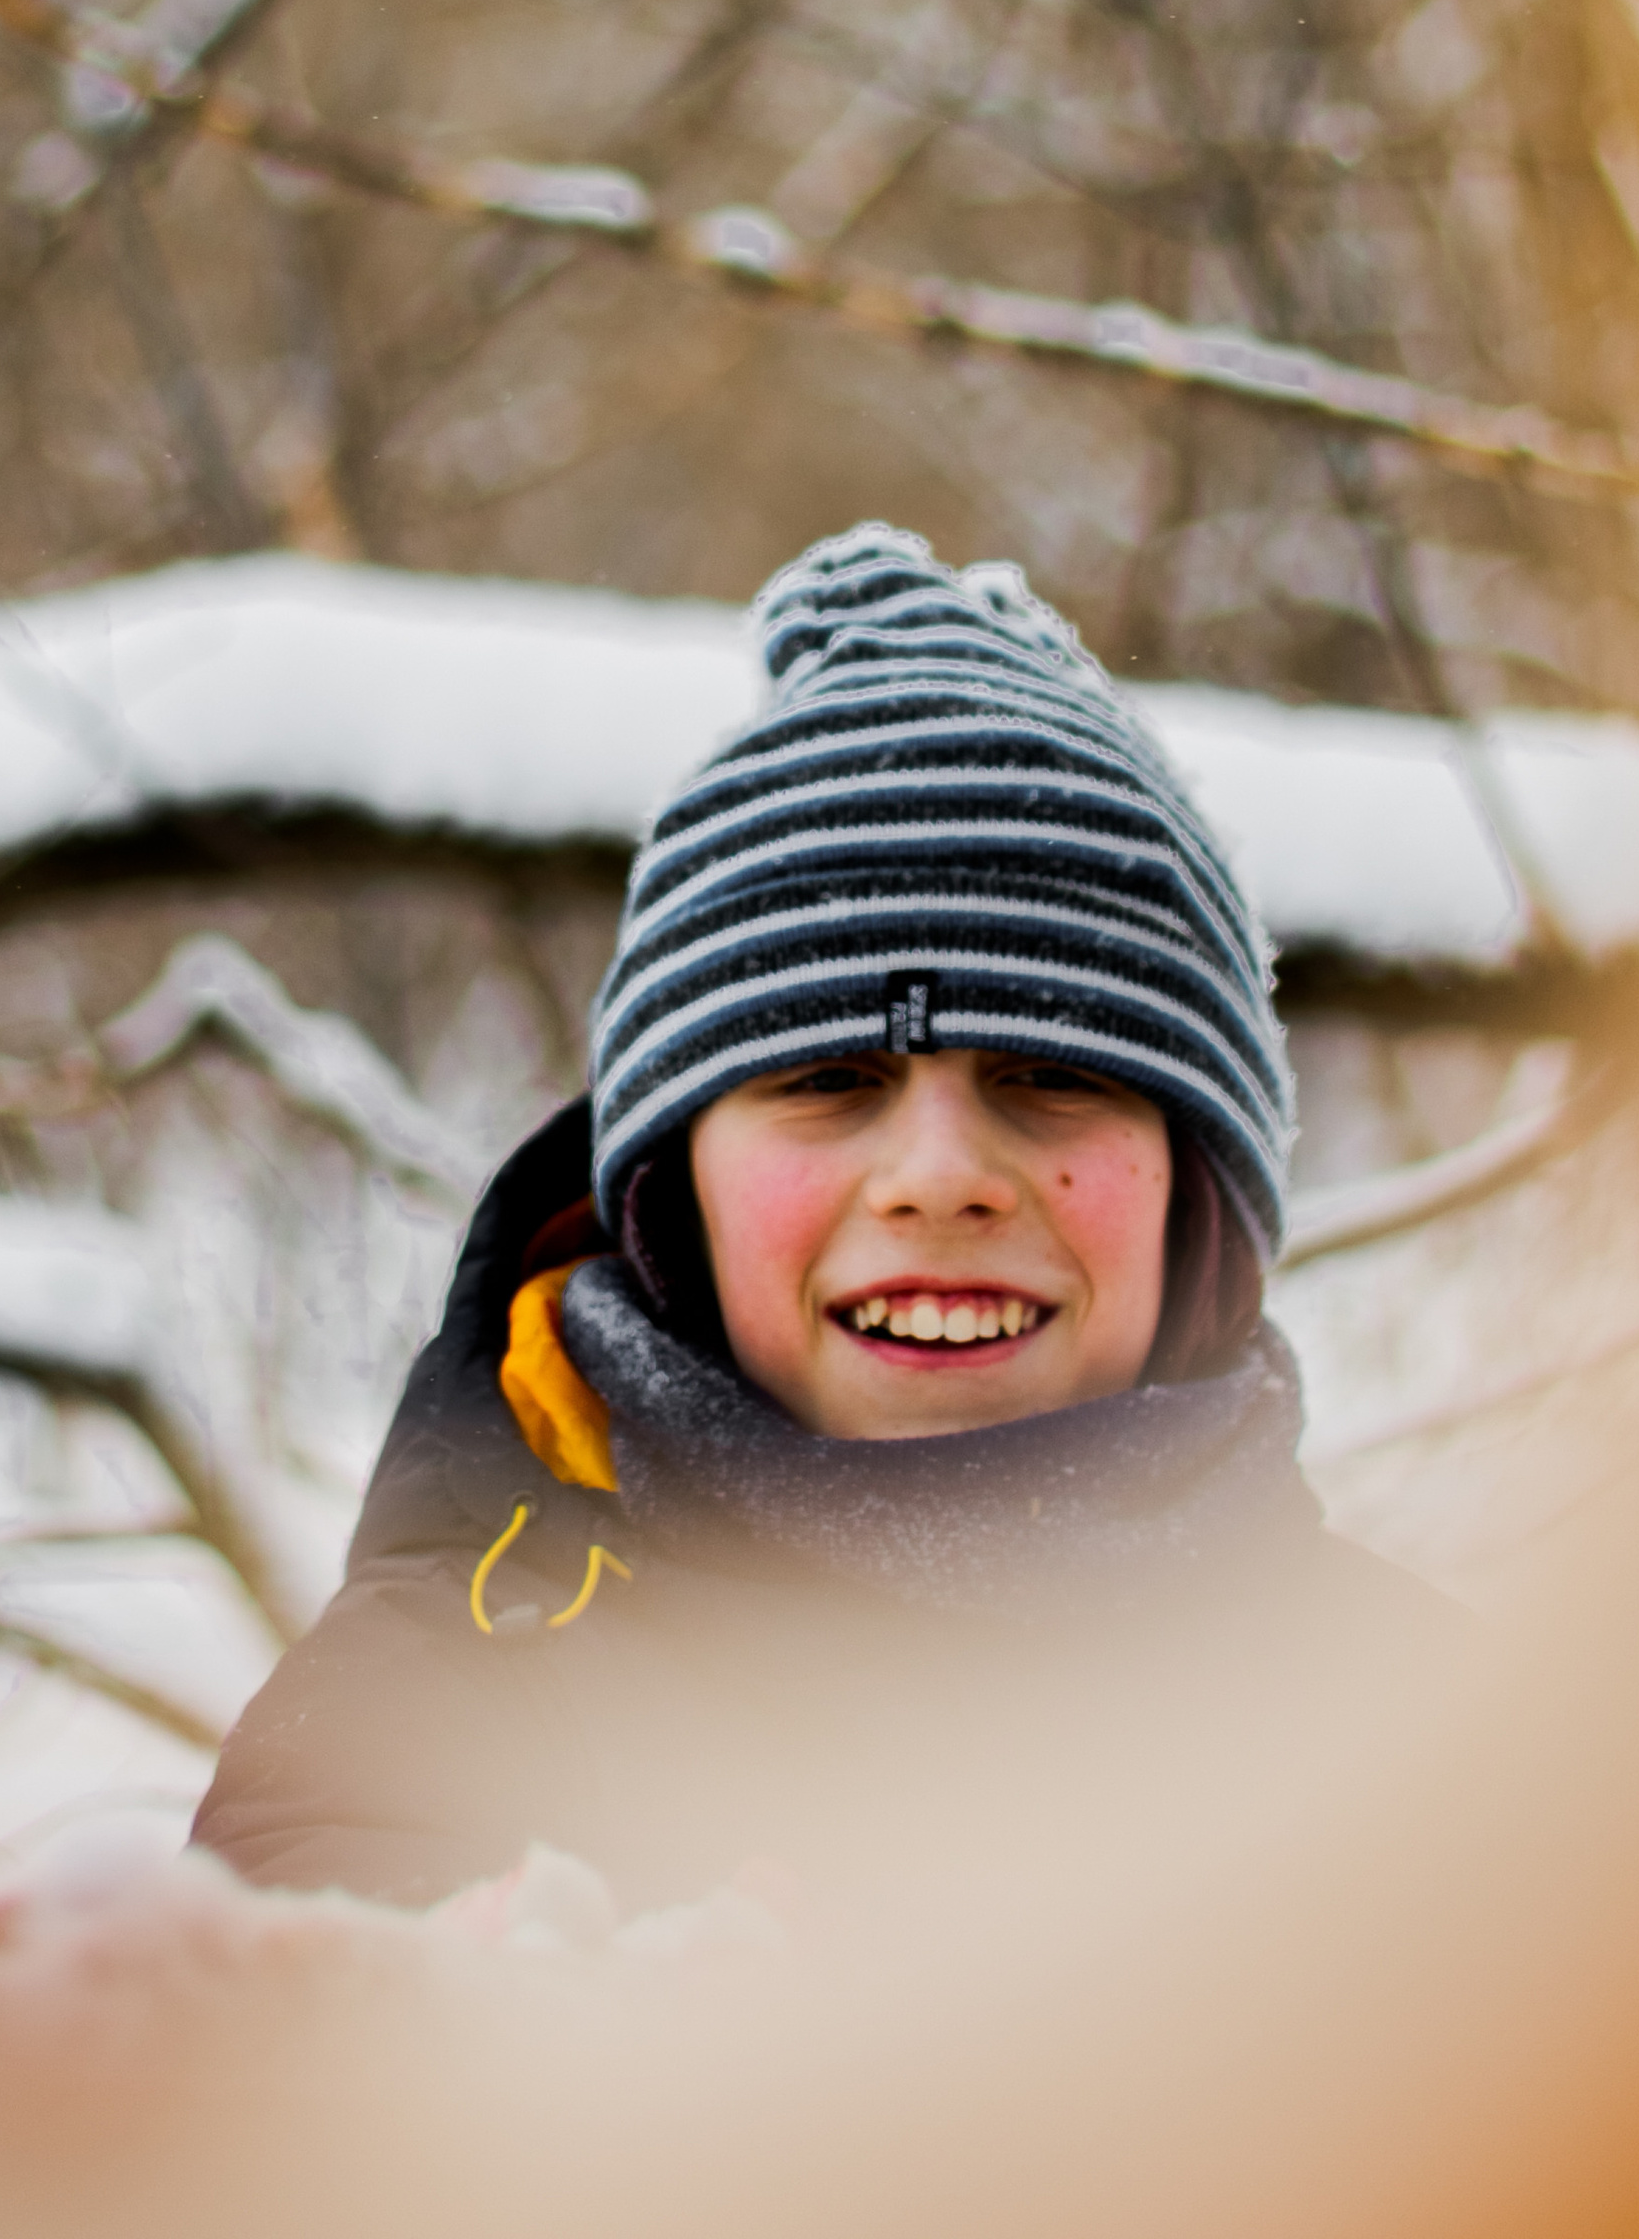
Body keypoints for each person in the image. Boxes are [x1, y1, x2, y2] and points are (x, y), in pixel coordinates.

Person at [195, 521, 1452, 1910]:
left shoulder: (1452, 1749)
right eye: (827, 1081)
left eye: (1052, 1075)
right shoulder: (415, 1739)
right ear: (676, 1199)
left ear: (1196, 1198)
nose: (940, 1176)